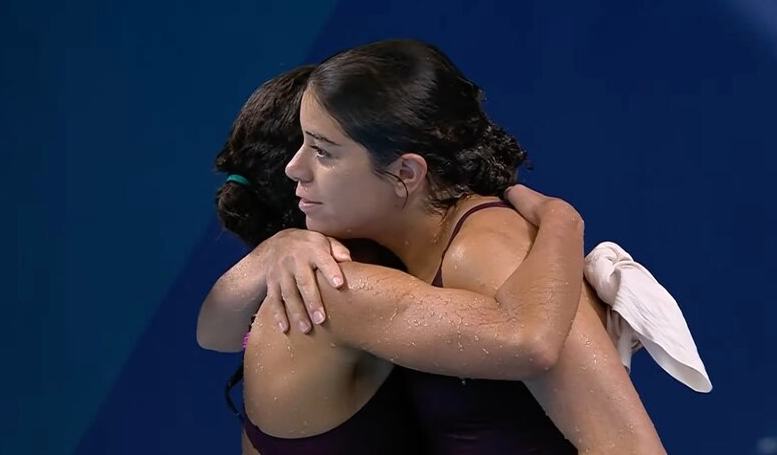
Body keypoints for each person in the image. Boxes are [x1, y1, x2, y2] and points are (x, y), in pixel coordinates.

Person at [202, 39, 667, 454]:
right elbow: (215, 331)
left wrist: (563, 223)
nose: (295, 170)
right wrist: (276, 248)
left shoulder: (484, 250)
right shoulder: (336, 274)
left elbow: (627, 444)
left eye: (322, 151)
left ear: (406, 172)